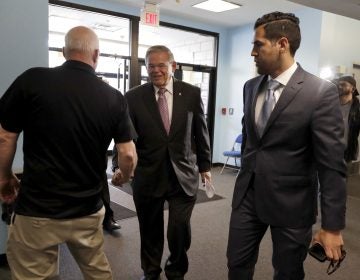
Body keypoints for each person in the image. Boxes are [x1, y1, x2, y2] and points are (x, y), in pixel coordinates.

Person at [0, 26, 137, 280]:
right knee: (97, 271)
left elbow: (4, 136)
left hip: (37, 210)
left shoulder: (33, 80)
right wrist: (123, 176)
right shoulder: (114, 97)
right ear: (96, 54)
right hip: (87, 209)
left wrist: (4, 177)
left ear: (64, 52)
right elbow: (128, 154)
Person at [227, 12, 347, 279]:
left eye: (258, 45)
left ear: (282, 44)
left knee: (288, 272)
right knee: (236, 265)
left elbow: (331, 166)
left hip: (292, 203)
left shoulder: (320, 92)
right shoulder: (250, 86)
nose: (252, 53)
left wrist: (332, 227)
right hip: (247, 196)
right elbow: (251, 139)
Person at [112, 45, 212, 280]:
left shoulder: (191, 93)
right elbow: (126, 137)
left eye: (161, 65)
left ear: (173, 66)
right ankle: (151, 272)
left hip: (183, 174)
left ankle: (176, 269)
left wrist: (205, 167)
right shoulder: (133, 96)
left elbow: (200, 132)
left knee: (178, 229)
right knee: (149, 229)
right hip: (148, 174)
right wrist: (119, 166)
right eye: (151, 66)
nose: (156, 71)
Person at [337, 75, 360, 164]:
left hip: (347, 151)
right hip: (328, 149)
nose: (339, 86)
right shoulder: (331, 103)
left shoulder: (358, 109)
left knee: (343, 176)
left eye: (343, 84)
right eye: (339, 84)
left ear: (353, 89)